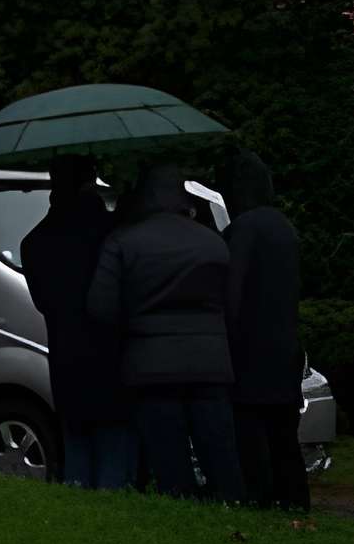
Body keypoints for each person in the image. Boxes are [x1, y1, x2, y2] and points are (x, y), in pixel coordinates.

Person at [88, 165, 245, 501]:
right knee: (219, 451)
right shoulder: (213, 242)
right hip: (210, 362)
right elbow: (233, 306)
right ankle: (231, 508)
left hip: (150, 364)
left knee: (168, 454)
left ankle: (180, 509)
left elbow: (101, 307)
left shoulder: (124, 240)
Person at [21, 160, 131, 488]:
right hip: (112, 353)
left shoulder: (35, 243)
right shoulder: (111, 232)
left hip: (66, 354)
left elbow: (43, 303)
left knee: (76, 444)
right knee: (115, 443)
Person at [222, 151, 310, 512]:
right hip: (284, 344)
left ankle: (259, 498)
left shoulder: (244, 229)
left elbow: (232, 292)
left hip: (251, 348)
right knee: (284, 435)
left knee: (252, 434)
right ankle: (295, 499)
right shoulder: (283, 226)